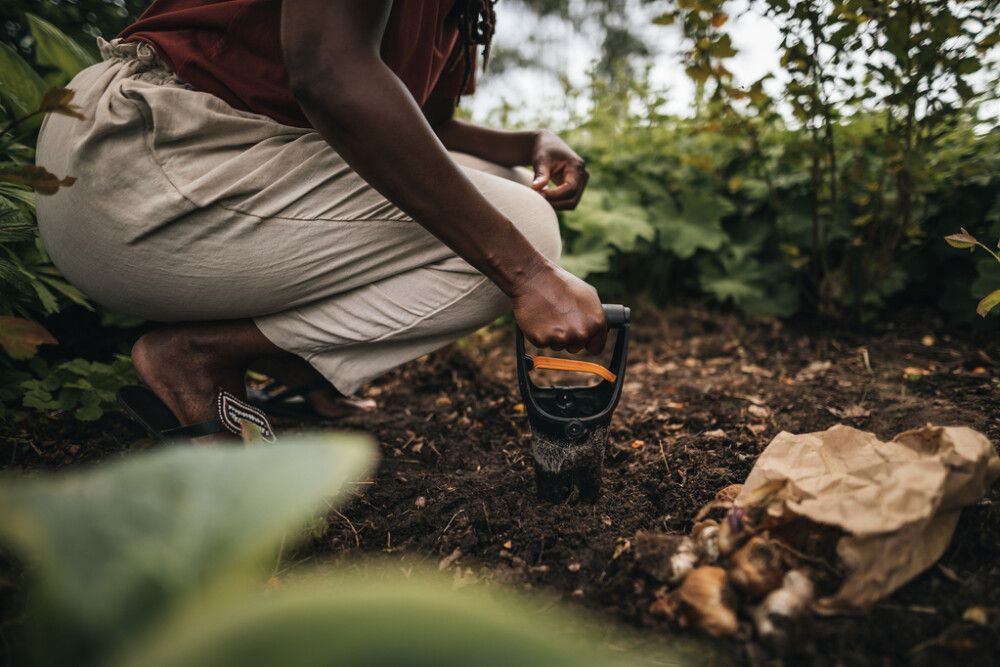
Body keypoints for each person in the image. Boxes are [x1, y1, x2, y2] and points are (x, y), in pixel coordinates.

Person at [35, 0, 608, 440]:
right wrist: (528, 275)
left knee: (492, 183)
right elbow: (329, 75)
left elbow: (419, 125)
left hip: (196, 163)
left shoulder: (458, 11)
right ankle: (202, 356)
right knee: (522, 230)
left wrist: (533, 140)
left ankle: (283, 360)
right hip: (143, 152)